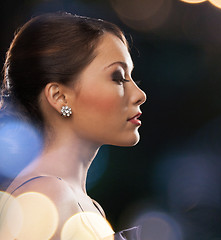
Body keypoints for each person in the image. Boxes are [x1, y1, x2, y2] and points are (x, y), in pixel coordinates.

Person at [0, 12, 146, 240]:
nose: (139, 95)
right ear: (59, 97)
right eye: (117, 77)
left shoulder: (83, 203)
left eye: (132, 77)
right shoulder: (45, 196)